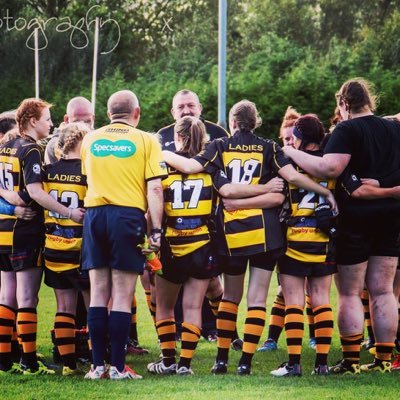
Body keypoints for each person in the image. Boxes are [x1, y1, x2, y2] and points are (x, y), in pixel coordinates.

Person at [163, 100, 337, 375]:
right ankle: (245, 362)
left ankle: (221, 360)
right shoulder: (270, 147)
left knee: (230, 297)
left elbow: (190, 166)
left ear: (232, 123)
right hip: (266, 234)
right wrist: (325, 192)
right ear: (255, 122)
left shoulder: (218, 146)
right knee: (257, 300)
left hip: (231, 233)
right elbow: (290, 178)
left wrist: (161, 152)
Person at [282, 78, 400, 374]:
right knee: (383, 290)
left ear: (344, 104)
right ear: (369, 100)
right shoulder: (393, 128)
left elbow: (330, 167)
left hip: (356, 217)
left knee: (349, 292)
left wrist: (291, 152)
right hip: (392, 215)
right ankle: (384, 360)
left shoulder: (346, 129)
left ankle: (350, 362)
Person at [81, 90, 166, 380]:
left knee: (98, 292)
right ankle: (117, 367)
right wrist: (156, 229)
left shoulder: (90, 139)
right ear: (137, 113)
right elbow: (155, 188)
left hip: (94, 216)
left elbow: (87, 178)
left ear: (107, 114)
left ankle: (96, 367)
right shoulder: (146, 140)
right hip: (127, 216)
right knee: (121, 294)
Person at [0, 98, 84, 375]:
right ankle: (29, 361)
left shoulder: (4, 146)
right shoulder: (32, 149)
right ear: (32, 121)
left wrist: (9, 199)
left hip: (3, 228)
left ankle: (4, 361)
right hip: (23, 231)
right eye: (47, 119)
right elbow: (36, 192)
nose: (51, 124)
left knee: (6, 295)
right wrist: (69, 213)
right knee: (27, 297)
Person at [157, 89, 235, 346]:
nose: (186, 110)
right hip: (192, 230)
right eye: (181, 107)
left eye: (191, 105)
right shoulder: (161, 137)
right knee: (189, 296)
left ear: (200, 107)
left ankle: (218, 333)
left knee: (208, 286)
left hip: (197, 228)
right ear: (172, 112)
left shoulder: (219, 134)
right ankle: (187, 348)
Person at [42, 123, 90, 376]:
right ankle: (97, 361)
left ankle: (69, 365)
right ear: (82, 142)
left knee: (64, 308)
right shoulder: (89, 172)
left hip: (53, 246)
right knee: (93, 306)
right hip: (81, 249)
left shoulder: (47, 171)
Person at [44, 97, 94, 165]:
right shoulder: (55, 144)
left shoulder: (98, 139)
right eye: (77, 122)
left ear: (93, 118)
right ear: (67, 119)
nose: (83, 127)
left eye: (87, 121)